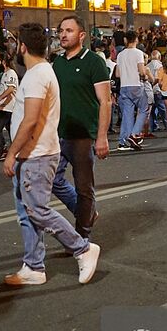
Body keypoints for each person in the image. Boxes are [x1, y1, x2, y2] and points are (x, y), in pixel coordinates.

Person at [3, 23, 103, 285]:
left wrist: (12, 153)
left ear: (23, 47)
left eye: (16, 44)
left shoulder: (37, 75)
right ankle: (34, 266)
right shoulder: (42, 70)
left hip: (36, 154)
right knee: (27, 212)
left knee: (37, 210)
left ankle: (82, 248)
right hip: (33, 153)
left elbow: (31, 120)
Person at [51, 15, 112, 240]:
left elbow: (105, 101)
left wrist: (102, 137)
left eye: (69, 30)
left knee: (84, 187)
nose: (63, 35)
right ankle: (84, 213)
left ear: (81, 35)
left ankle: (81, 237)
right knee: (52, 179)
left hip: (84, 135)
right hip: (59, 134)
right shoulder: (57, 63)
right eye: (61, 31)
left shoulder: (93, 62)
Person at [114, 31, 148, 150]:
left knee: (127, 114)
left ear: (125, 40)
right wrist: (145, 76)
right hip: (136, 85)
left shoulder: (120, 55)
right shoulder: (138, 53)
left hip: (124, 86)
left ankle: (124, 140)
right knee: (144, 109)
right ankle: (134, 134)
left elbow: (117, 74)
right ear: (136, 40)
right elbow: (142, 71)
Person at [0, 51, 19, 157]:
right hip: (3, 107)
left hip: (8, 107)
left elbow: (11, 89)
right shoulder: (4, 74)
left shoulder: (11, 73)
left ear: (3, 61)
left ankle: (0, 151)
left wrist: (0, 99)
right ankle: (12, 150)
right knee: (10, 130)